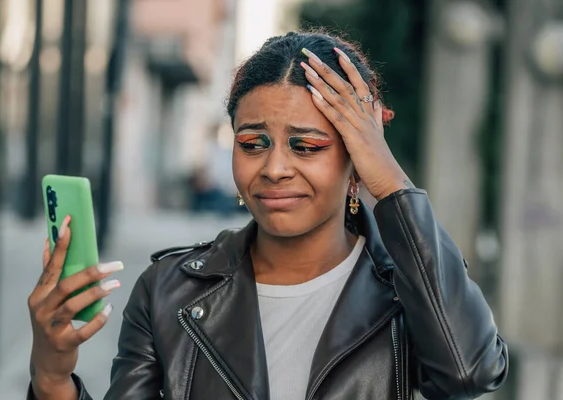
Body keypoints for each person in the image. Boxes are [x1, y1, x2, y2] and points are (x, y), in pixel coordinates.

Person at [27, 31, 508, 400]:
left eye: (308, 146)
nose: (275, 168)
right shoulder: (167, 289)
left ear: (358, 160)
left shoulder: (408, 289)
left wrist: (390, 182)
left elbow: (469, 371)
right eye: (252, 143)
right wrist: (51, 373)